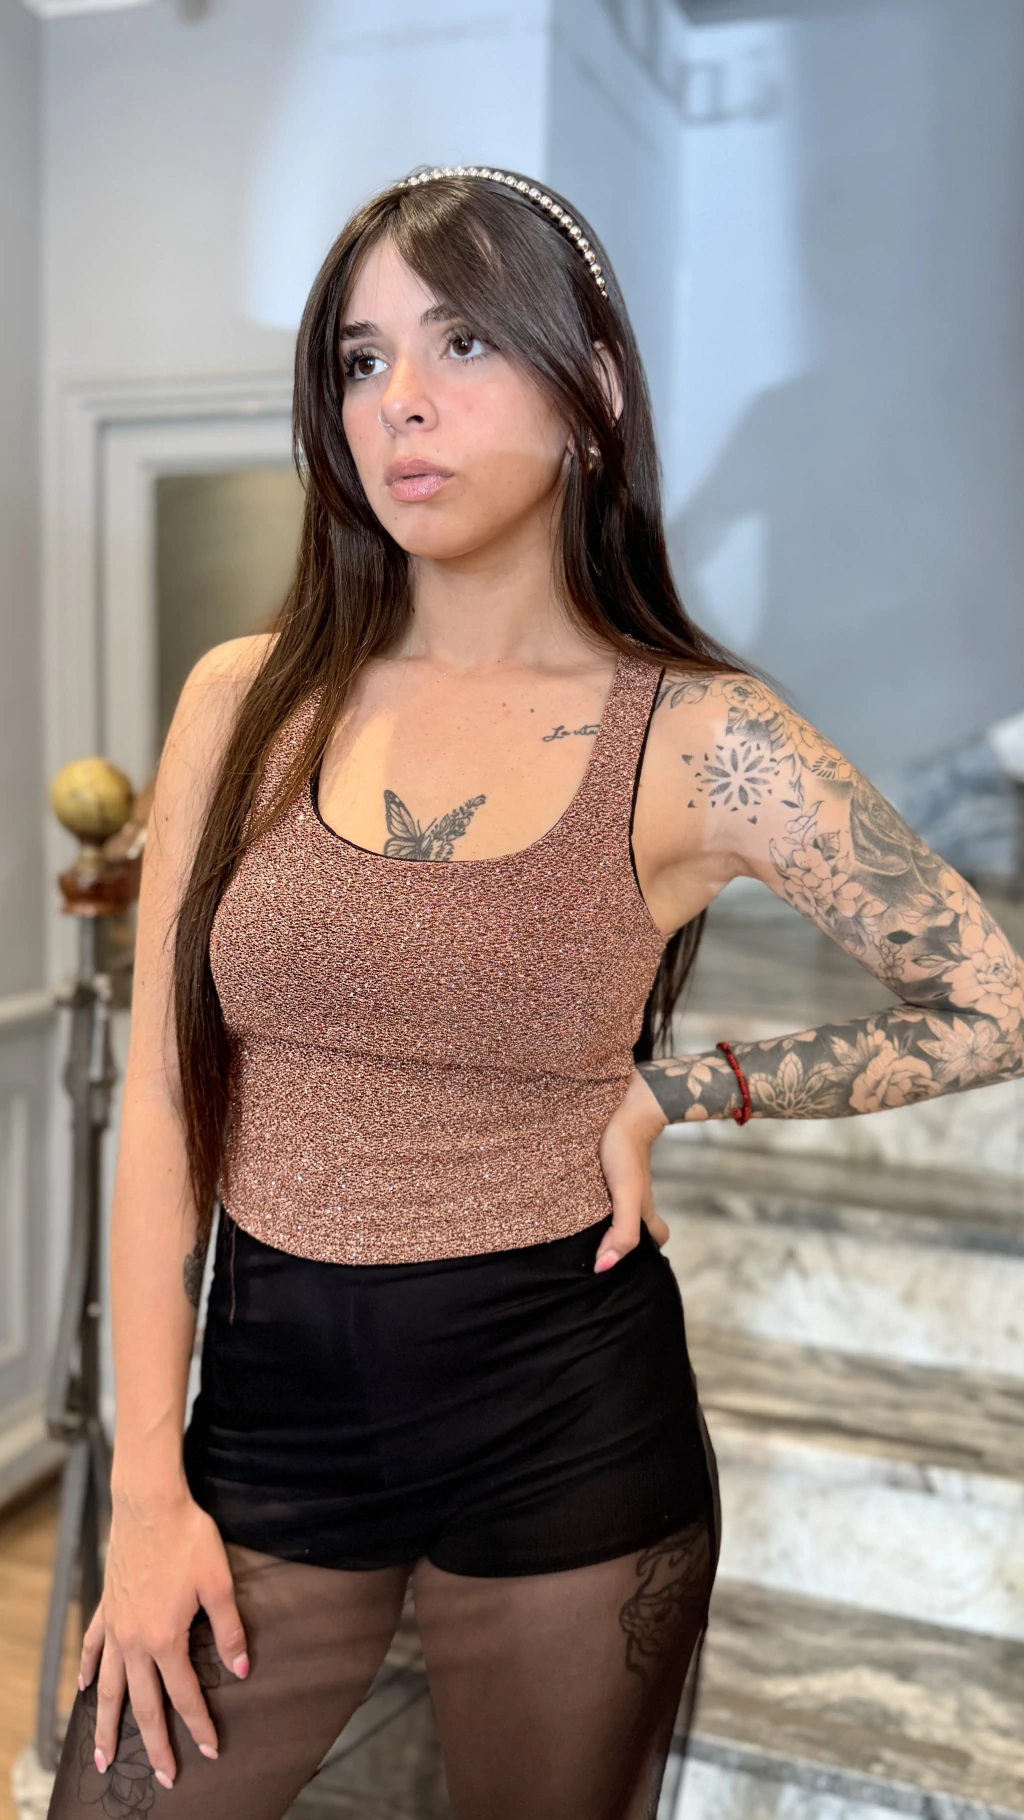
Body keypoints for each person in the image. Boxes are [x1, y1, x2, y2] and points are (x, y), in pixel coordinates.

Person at [47, 166, 1024, 1820]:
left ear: (596, 393)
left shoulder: (701, 739)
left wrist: (685, 1087)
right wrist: (148, 1487)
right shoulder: (244, 700)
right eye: (361, 360)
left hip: (567, 1437)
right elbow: (160, 1099)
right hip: (267, 1428)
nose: (400, 402)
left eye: (464, 342)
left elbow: (992, 1000)